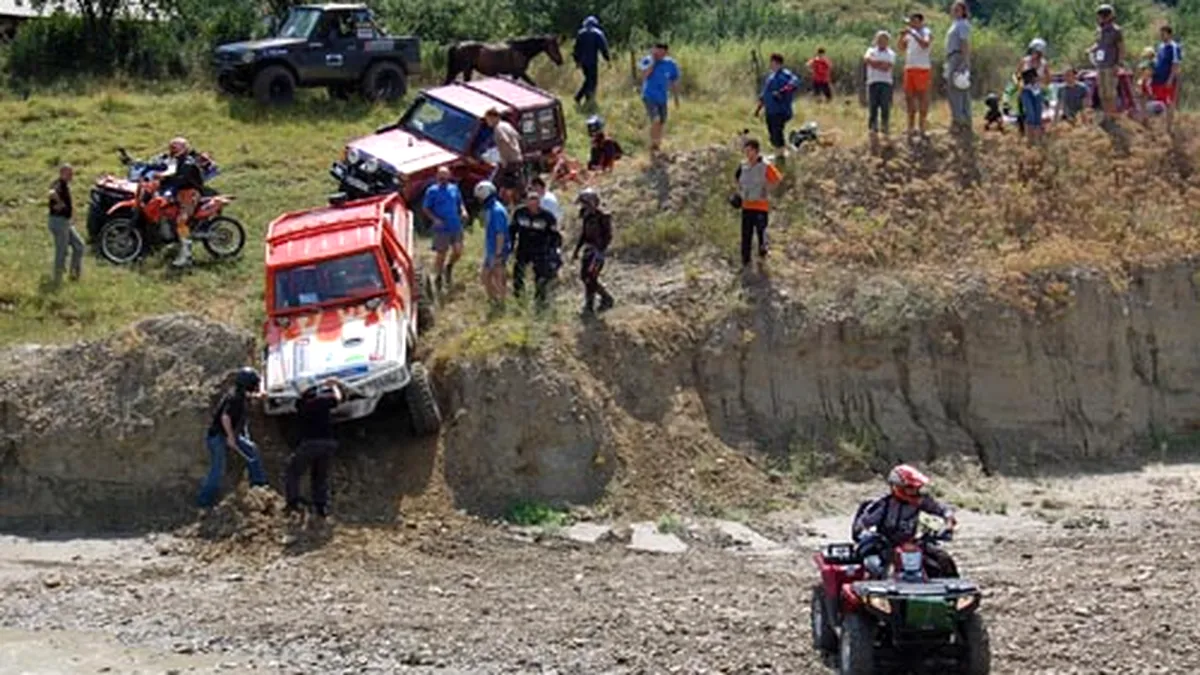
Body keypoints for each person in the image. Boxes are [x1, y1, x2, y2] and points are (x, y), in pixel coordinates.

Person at [852, 464, 959, 579]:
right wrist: (867, 534)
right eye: (910, 488)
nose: (915, 491)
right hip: (886, 545)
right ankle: (873, 594)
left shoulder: (921, 501)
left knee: (943, 559)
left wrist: (949, 519)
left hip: (912, 544)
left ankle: (954, 593)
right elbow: (862, 524)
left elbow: (942, 509)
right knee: (875, 567)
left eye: (916, 488)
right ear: (897, 487)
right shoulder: (883, 504)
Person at [198, 367, 268, 509]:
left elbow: (246, 398)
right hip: (217, 436)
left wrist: (258, 396)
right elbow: (225, 417)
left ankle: (259, 484)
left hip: (226, 434)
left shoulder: (238, 394)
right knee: (218, 469)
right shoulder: (235, 397)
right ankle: (203, 501)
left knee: (251, 449)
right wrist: (230, 437)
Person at [285, 380, 346, 520]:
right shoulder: (322, 400)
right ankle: (321, 507)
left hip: (309, 443)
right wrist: (335, 385)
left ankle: (293, 502)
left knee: (293, 471)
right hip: (328, 443)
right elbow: (338, 398)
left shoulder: (300, 404)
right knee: (320, 475)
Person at [733, 138, 783, 270]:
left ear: (756, 151)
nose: (747, 154)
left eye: (749, 150)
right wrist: (740, 194)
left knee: (761, 234)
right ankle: (745, 262)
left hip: (761, 206)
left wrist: (766, 190)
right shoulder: (743, 166)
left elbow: (777, 179)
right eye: (746, 151)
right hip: (747, 206)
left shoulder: (765, 166)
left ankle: (762, 260)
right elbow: (736, 180)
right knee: (746, 235)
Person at [509, 190, 562, 309]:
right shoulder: (519, 213)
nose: (532, 205)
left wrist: (554, 252)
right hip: (523, 248)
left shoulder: (547, 217)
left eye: (535, 202)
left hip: (540, 250)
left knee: (540, 277)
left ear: (539, 203)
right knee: (518, 274)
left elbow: (555, 236)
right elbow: (512, 230)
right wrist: (510, 246)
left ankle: (540, 301)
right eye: (530, 202)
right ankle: (519, 299)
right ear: (526, 202)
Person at [159, 137, 205, 268]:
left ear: (183, 149)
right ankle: (173, 241)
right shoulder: (176, 161)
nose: (171, 150)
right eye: (171, 147)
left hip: (191, 193)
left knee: (181, 220)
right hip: (180, 193)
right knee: (164, 212)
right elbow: (169, 172)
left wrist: (165, 181)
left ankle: (186, 254)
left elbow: (179, 179)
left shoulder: (188, 163)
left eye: (175, 147)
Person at [422, 166, 468, 291]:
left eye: (445, 175)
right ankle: (438, 276)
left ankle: (449, 266)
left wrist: (463, 211)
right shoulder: (432, 191)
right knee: (441, 254)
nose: (443, 178)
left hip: (455, 225)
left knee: (458, 251)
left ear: (449, 176)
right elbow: (425, 208)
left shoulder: (454, 188)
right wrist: (435, 219)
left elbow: (460, 202)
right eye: (441, 176)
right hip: (441, 228)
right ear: (437, 177)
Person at [572, 187, 614, 317]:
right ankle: (595, 302)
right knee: (585, 276)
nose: (583, 206)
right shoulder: (586, 215)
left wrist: (600, 250)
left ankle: (598, 302)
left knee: (591, 277)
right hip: (589, 250)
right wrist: (577, 250)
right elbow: (584, 234)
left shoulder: (603, 217)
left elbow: (608, 236)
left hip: (597, 252)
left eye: (585, 203)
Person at [755, 53, 801, 162]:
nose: (771, 65)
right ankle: (785, 150)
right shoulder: (770, 77)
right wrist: (758, 108)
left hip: (781, 110)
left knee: (777, 131)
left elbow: (794, 83)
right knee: (772, 134)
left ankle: (781, 156)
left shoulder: (785, 75)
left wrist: (782, 92)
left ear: (778, 63)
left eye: (773, 62)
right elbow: (765, 94)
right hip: (770, 110)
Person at [639, 43, 681, 153]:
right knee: (655, 119)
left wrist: (676, 98)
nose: (659, 54)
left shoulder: (671, 64)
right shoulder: (648, 60)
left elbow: (674, 80)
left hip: (662, 97)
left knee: (662, 121)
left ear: (666, 52)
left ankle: (657, 143)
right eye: (657, 52)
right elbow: (645, 75)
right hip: (649, 95)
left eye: (661, 52)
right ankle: (653, 144)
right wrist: (654, 62)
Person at [46, 164, 82, 286]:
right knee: (62, 251)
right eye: (69, 173)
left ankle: (74, 274)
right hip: (58, 222)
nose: (71, 176)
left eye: (72, 173)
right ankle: (57, 279)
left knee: (79, 246)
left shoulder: (64, 185)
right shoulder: (59, 184)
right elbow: (51, 192)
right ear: (62, 173)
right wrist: (59, 202)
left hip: (65, 221)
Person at [475, 180, 510, 306]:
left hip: (497, 250)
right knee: (485, 277)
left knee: (498, 277)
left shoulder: (497, 211)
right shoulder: (490, 209)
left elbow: (500, 234)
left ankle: (502, 303)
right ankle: (493, 300)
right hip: (491, 249)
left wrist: (498, 254)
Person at [1088, 4, 1124, 122]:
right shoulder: (1100, 30)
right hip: (1100, 65)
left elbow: (1121, 48)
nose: (1099, 19)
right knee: (1102, 92)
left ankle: (1113, 116)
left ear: (1108, 16)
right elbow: (1099, 44)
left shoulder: (1116, 30)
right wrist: (1090, 49)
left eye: (1101, 16)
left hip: (1110, 65)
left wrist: (1117, 64)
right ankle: (1106, 116)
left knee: (1110, 92)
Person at [899, 12, 933, 136]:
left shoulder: (926, 32)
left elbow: (925, 44)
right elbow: (901, 48)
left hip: (922, 68)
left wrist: (913, 33)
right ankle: (910, 127)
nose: (911, 23)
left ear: (920, 21)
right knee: (909, 98)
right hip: (909, 68)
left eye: (913, 21)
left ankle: (922, 126)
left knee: (922, 97)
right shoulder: (909, 35)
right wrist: (902, 37)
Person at [483, 108, 524, 204]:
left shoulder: (498, 128)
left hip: (509, 161)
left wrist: (504, 159)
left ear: (493, 117)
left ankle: (495, 202)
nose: (487, 122)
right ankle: (517, 200)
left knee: (496, 183)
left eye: (488, 119)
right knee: (514, 183)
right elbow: (518, 136)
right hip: (517, 159)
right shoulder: (506, 125)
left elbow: (503, 141)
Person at [945, 1, 973, 133]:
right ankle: (963, 120)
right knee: (960, 89)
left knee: (956, 89)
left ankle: (959, 121)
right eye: (953, 9)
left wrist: (964, 62)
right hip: (952, 56)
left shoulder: (962, 24)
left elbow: (964, 43)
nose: (955, 11)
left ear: (963, 11)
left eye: (958, 9)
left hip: (957, 57)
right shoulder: (955, 24)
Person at [571, 15, 610, 107]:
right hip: (592, 61)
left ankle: (584, 98)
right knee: (592, 81)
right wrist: (607, 59)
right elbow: (603, 47)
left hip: (583, 62)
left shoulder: (580, 33)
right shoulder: (598, 33)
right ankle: (585, 98)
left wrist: (577, 61)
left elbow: (576, 49)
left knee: (588, 80)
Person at [864, 31, 896, 139]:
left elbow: (887, 67)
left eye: (884, 40)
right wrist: (880, 64)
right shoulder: (870, 50)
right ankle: (873, 128)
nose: (882, 42)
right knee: (873, 105)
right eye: (880, 39)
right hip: (873, 81)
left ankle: (885, 126)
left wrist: (875, 63)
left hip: (886, 82)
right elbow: (868, 61)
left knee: (885, 105)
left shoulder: (891, 53)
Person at [1017, 38, 1050, 142]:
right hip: (1026, 90)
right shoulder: (1024, 61)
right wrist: (1021, 81)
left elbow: (1048, 79)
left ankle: (1037, 140)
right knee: (1030, 114)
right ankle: (1029, 140)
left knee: (1037, 116)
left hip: (1037, 90)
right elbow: (1016, 75)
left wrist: (1039, 79)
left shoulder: (1044, 64)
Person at [1151, 25, 1182, 130]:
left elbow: (1175, 64)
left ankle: (1169, 127)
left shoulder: (1174, 47)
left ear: (1169, 34)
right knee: (1158, 101)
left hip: (1167, 79)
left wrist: (1171, 79)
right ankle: (1158, 125)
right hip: (1158, 79)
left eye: (1163, 34)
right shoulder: (1160, 46)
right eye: (1161, 34)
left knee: (1169, 102)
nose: (1161, 36)